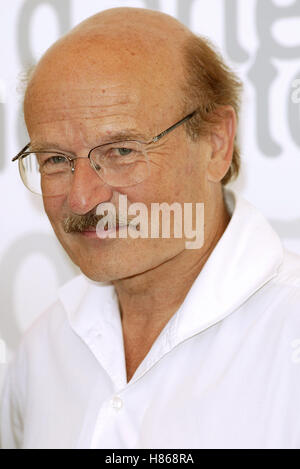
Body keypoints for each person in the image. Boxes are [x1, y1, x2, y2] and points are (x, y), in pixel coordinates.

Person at [1, 7, 300, 449]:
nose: (83, 198)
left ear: (216, 143)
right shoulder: (43, 351)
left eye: (121, 151)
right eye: (56, 160)